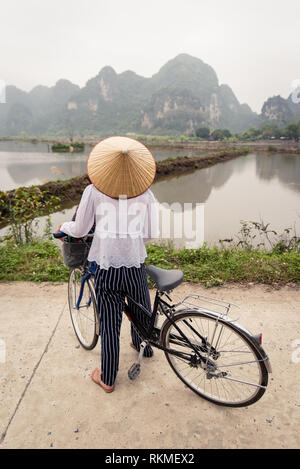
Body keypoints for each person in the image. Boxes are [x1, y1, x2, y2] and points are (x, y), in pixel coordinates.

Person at [58, 136, 159, 393]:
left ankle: (108, 377)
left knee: (110, 321)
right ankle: (143, 346)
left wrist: (65, 227)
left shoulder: (93, 191)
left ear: (103, 168)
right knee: (141, 309)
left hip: (106, 266)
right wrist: (131, 239)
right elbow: (150, 233)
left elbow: (80, 229)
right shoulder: (146, 194)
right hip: (135, 264)